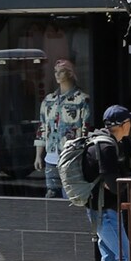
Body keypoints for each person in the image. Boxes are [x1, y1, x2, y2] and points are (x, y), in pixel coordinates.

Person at [83, 104, 131, 261]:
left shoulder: (105, 142)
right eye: (129, 122)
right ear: (123, 125)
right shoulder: (105, 147)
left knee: (111, 258)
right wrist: (127, 186)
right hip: (104, 211)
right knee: (126, 259)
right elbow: (111, 184)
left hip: (103, 210)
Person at [33, 61, 92, 198]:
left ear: (70, 73)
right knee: (51, 196)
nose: (57, 75)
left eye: (61, 71)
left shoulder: (82, 100)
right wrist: (38, 155)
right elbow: (42, 128)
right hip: (51, 158)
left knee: (70, 196)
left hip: (71, 157)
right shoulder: (49, 100)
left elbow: (86, 129)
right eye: (55, 71)